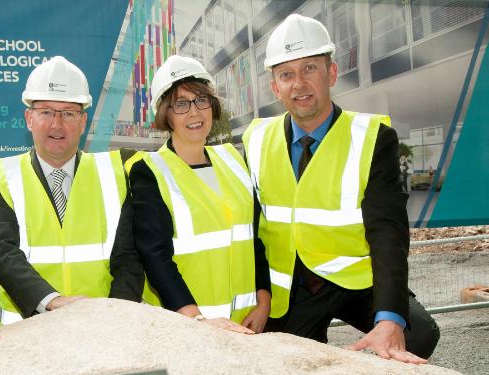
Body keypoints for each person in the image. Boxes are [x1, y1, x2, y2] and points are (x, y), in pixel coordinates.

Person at [242, 14, 439, 363]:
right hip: (291, 285)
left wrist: (390, 318)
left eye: (310, 68)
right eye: (286, 74)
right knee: (283, 362)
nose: (298, 83)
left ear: (331, 74)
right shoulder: (256, 139)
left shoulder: (373, 137)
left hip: (353, 280)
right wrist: (261, 294)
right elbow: (252, 228)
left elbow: (387, 230)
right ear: (275, 86)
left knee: (417, 333)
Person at [0, 56, 144, 325]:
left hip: (103, 324)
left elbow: (129, 256)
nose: (57, 124)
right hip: (30, 328)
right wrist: (51, 302)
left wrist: (114, 314)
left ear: (82, 121)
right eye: (45, 112)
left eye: (68, 113)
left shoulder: (113, 173)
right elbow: (1, 252)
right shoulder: (2, 176)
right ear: (29, 118)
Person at [128, 55, 270, 334]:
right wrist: (196, 319)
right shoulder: (149, 171)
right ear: (165, 114)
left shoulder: (232, 159)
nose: (194, 112)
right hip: (187, 326)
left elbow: (255, 237)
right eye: (181, 104)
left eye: (201, 100)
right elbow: (155, 256)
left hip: (246, 322)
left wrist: (263, 300)